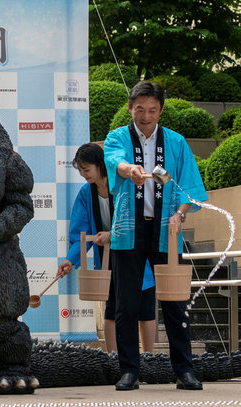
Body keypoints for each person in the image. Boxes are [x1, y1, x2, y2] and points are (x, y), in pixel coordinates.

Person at [104, 81, 208, 391]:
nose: (145, 116)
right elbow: (114, 160)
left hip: (167, 229)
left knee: (175, 302)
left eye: (152, 110)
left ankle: (185, 369)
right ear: (129, 108)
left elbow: (188, 187)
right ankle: (129, 371)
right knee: (126, 303)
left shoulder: (175, 142)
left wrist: (181, 213)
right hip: (129, 229)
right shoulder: (117, 136)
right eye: (140, 109)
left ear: (161, 110)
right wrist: (129, 169)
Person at [56, 143, 157, 354]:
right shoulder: (86, 193)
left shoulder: (124, 184)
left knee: (145, 308)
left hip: (135, 252)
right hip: (107, 259)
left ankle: (149, 357)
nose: (83, 174)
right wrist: (70, 260)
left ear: (100, 165)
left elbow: (140, 221)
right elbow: (80, 236)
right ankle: (114, 358)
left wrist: (112, 234)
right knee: (111, 309)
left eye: (87, 169)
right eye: (80, 170)